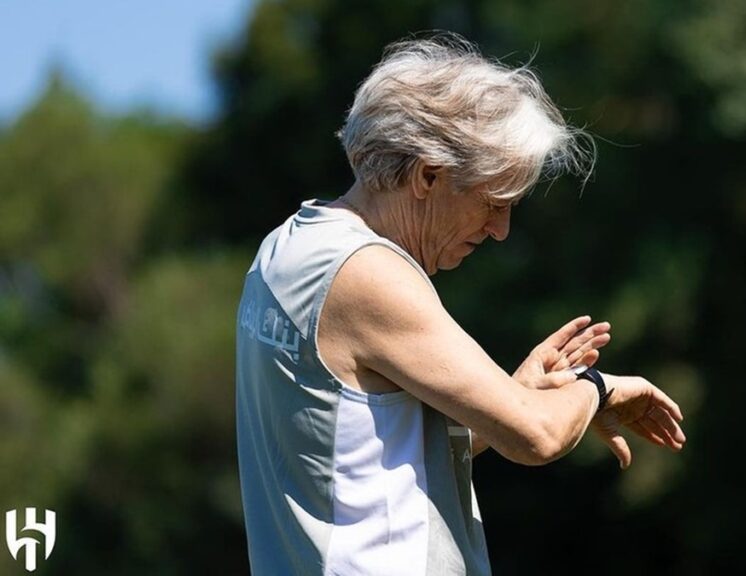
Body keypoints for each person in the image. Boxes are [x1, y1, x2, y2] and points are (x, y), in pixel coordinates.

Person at [235, 33, 686, 576]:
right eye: (494, 202)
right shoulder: (366, 272)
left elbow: (359, 466)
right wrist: (597, 389)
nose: (501, 230)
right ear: (428, 174)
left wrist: (512, 396)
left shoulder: (284, 250)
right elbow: (536, 436)